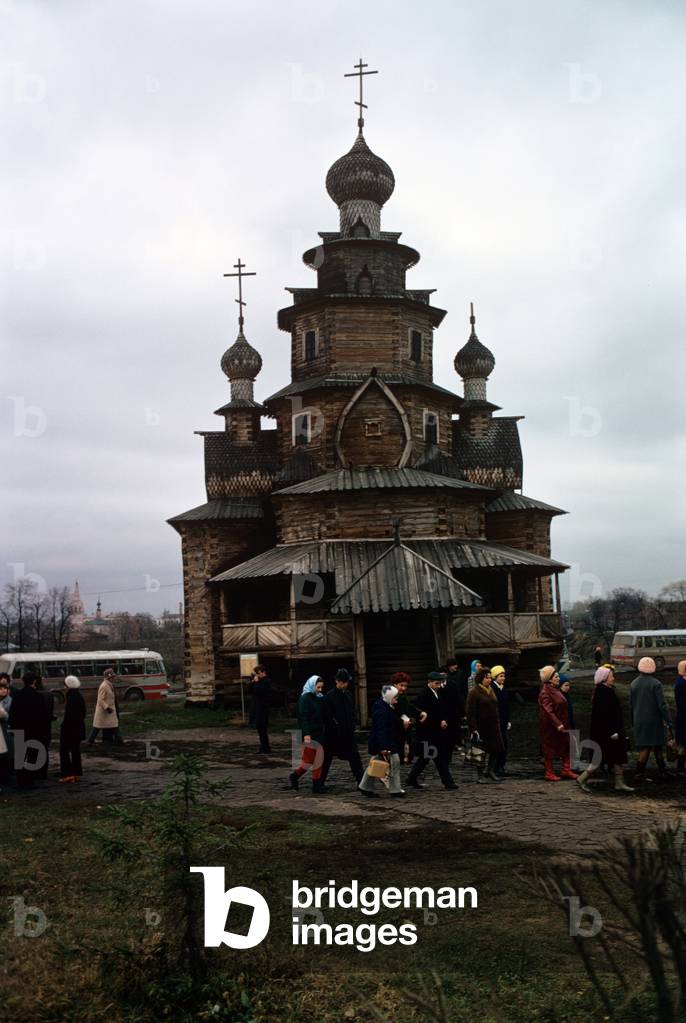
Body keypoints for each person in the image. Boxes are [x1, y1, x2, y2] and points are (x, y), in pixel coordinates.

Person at [576, 666, 633, 793]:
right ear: (604, 678)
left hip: (612, 731)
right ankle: (582, 778)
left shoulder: (606, 690)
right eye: (611, 676)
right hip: (607, 733)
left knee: (617, 757)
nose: (613, 678)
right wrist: (612, 731)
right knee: (600, 758)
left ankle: (619, 782)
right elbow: (604, 715)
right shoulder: (603, 693)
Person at [406, 671, 457, 790]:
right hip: (427, 732)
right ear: (429, 682)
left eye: (440, 683)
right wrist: (439, 720)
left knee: (426, 758)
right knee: (437, 758)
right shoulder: (423, 695)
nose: (439, 686)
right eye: (436, 683)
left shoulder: (438, 693)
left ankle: (411, 778)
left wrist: (443, 719)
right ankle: (448, 782)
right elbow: (425, 714)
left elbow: (442, 708)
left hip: (435, 732)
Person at [630, 656, 674, 782]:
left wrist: (633, 721)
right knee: (657, 746)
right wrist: (669, 720)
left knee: (645, 747)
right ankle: (660, 771)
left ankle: (640, 773)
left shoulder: (634, 684)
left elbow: (631, 704)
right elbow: (662, 705)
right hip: (654, 721)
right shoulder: (656, 684)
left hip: (639, 720)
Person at [358, 685, 406, 798]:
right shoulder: (382, 709)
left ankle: (365, 786)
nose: (396, 700)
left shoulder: (384, 706)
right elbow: (381, 729)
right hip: (385, 742)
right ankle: (395, 789)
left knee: (375, 764)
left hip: (383, 742)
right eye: (395, 698)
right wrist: (384, 747)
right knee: (394, 763)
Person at [321, 668, 363, 786]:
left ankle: (362, 782)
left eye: (346, 682)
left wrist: (352, 725)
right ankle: (319, 783)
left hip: (348, 733)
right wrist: (336, 726)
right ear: (337, 681)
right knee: (326, 760)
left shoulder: (348, 695)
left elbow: (351, 712)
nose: (345, 684)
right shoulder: (329, 697)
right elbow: (328, 716)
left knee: (355, 759)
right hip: (333, 735)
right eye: (342, 682)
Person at [538, 666, 578, 782]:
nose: (558, 678)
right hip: (550, 726)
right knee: (549, 748)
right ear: (549, 679)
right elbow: (548, 710)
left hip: (563, 723)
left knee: (567, 745)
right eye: (555, 677)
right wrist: (557, 723)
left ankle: (566, 769)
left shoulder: (555, 689)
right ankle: (549, 772)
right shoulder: (545, 692)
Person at [8, 671, 47, 788]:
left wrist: (14, 727)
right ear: (34, 681)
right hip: (34, 730)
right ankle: (30, 780)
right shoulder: (39, 696)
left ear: (22, 681)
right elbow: (42, 715)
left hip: (20, 729)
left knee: (20, 756)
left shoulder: (17, 696)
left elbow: (12, 713)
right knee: (32, 755)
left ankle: (21, 780)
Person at [289, 676, 327, 794]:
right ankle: (295, 776)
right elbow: (303, 717)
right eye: (318, 687)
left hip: (319, 733)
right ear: (312, 685)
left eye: (321, 687)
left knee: (319, 760)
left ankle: (316, 785)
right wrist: (306, 734)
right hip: (309, 734)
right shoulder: (304, 699)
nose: (320, 689)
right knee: (308, 761)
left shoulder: (319, 698)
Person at [466, 667, 504, 783]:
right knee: (480, 751)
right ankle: (480, 774)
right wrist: (473, 728)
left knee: (496, 749)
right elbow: (470, 712)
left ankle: (490, 770)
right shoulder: (474, 692)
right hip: (481, 726)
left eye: (489, 678)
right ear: (480, 679)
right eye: (486, 678)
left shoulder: (491, 690)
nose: (489, 680)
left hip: (493, 726)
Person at [59, 675, 87, 783]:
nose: (64, 687)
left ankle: (67, 775)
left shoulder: (70, 697)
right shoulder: (79, 696)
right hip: (78, 728)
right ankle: (76, 774)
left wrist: (64, 726)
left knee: (64, 751)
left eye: (65, 685)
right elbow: (83, 712)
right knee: (76, 751)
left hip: (69, 730)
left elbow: (68, 716)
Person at [87, 668, 123, 745]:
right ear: (109, 677)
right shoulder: (104, 686)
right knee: (98, 726)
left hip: (108, 711)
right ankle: (90, 740)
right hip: (104, 711)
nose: (114, 678)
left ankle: (118, 740)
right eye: (113, 677)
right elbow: (100, 699)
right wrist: (107, 707)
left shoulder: (109, 685)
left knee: (111, 725)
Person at [443, 658, 467, 757]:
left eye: (455, 665)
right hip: (448, 703)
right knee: (450, 723)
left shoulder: (459, 674)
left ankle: (457, 741)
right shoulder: (445, 674)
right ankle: (450, 742)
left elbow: (463, 687)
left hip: (458, 701)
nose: (455, 667)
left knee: (457, 723)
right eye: (453, 666)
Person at [490, 665, 510, 776]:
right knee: (498, 745)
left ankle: (501, 766)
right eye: (501, 676)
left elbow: (507, 706)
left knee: (504, 744)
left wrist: (508, 720)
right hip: (496, 722)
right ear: (495, 677)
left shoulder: (503, 688)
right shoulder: (493, 689)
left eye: (504, 676)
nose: (503, 678)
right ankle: (495, 767)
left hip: (503, 721)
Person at [34, 676, 56, 779]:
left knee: (35, 749)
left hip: (36, 725)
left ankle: (36, 772)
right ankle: (43, 772)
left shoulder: (36, 694)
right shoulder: (49, 693)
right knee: (45, 748)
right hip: (47, 725)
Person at [249, 664, 271, 754]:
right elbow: (251, 690)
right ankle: (263, 747)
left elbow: (259, 691)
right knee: (259, 728)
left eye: (258, 673)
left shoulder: (266, 681)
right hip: (258, 707)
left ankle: (266, 748)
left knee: (262, 728)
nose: (257, 675)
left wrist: (257, 683)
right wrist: (253, 682)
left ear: (263, 672)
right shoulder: (259, 681)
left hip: (263, 708)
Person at [675, 660, 686, 773]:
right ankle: (680, 768)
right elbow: (681, 703)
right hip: (683, 718)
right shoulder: (680, 684)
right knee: (683, 744)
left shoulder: (682, 682)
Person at [0, 675, 11, 789]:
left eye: (5, 689)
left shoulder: (9, 701)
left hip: (6, 727)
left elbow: (4, 715)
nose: (3, 691)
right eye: (1, 689)